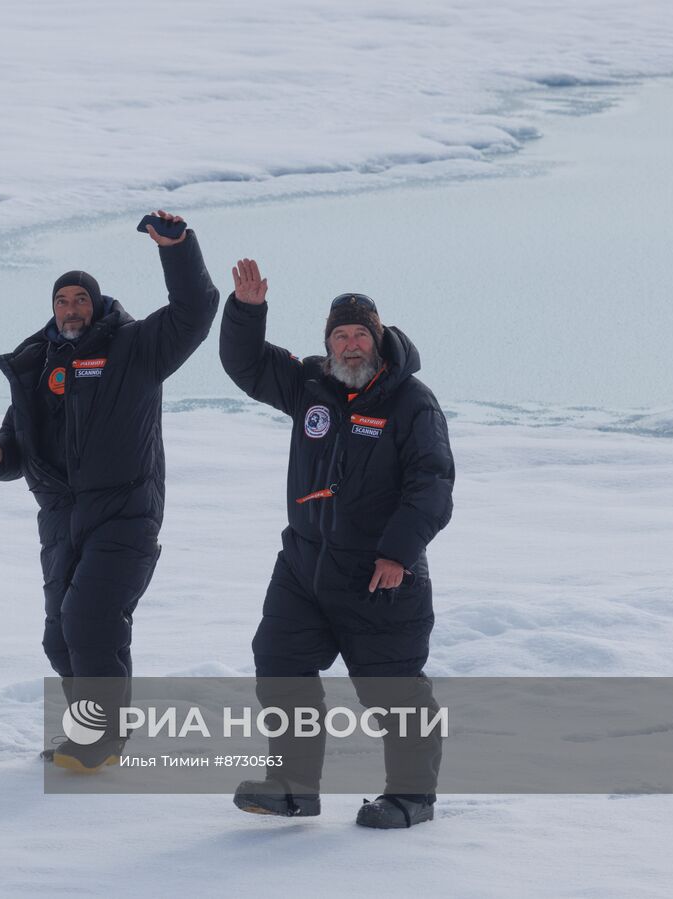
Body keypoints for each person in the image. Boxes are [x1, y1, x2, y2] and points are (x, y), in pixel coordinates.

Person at [0, 211, 220, 772]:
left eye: (81, 300)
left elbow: (195, 312)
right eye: (63, 301)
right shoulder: (40, 363)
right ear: (52, 309)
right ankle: (96, 730)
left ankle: (101, 739)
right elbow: (18, 441)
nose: (72, 309)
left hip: (126, 513)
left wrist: (177, 248)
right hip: (60, 518)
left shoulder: (135, 348)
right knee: (62, 638)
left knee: (90, 622)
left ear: (97, 304)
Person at [219, 259, 454, 828]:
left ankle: (412, 797)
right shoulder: (311, 386)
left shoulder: (411, 402)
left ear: (379, 339)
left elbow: (432, 484)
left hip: (378, 574)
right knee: (279, 662)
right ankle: (294, 786)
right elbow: (246, 364)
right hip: (304, 564)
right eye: (340, 336)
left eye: (359, 336)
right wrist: (248, 311)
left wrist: (398, 553)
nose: (350, 346)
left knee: (392, 689)